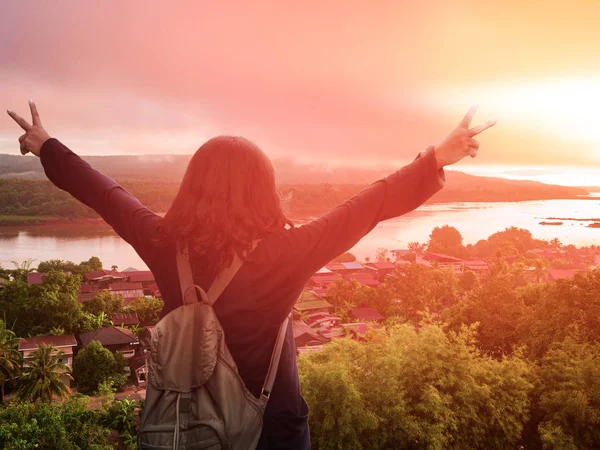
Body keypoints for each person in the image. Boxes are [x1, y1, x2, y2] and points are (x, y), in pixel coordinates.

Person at [7, 101, 495, 449]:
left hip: (185, 427)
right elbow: (365, 207)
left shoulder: (163, 241)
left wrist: (47, 144)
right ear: (265, 189)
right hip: (270, 432)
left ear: (192, 186)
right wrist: (433, 160)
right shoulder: (283, 254)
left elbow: (107, 194)